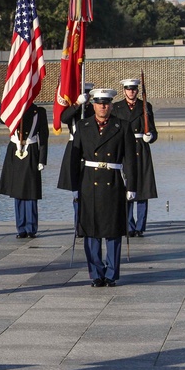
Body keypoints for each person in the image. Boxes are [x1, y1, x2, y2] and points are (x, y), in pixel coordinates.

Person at [69, 88, 137, 287]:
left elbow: (131, 160)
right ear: (93, 105)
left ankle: (112, 273)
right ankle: (96, 274)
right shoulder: (83, 126)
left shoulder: (122, 126)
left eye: (106, 103)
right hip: (89, 182)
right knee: (91, 231)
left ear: (111, 105)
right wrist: (74, 186)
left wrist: (131, 186)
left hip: (113, 182)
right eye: (99, 103)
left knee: (113, 231)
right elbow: (74, 159)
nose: (103, 106)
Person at [112, 78, 157, 237]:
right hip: (126, 149)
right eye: (128, 89)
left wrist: (150, 136)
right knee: (127, 188)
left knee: (143, 189)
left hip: (141, 150)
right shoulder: (116, 107)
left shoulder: (145, 106)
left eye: (134, 89)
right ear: (124, 91)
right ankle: (129, 225)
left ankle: (140, 226)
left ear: (137, 91)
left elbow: (153, 131)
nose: (131, 92)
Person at [0, 100, 48, 239]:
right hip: (15, 150)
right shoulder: (13, 108)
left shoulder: (39, 112)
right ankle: (21, 227)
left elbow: (44, 136)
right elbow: (2, 118)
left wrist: (42, 159)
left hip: (31, 150)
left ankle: (31, 227)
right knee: (18, 190)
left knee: (30, 190)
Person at [56, 83, 94, 236]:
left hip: (90, 149)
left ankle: (89, 223)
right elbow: (63, 118)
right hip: (75, 149)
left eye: (86, 94)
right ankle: (78, 224)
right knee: (76, 191)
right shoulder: (74, 109)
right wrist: (77, 104)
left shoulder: (92, 109)